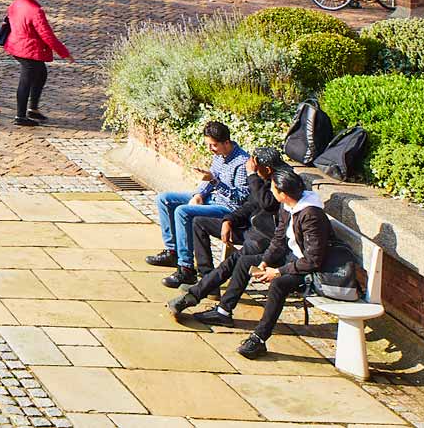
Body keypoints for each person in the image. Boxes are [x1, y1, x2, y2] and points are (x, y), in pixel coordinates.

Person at [234, 169, 356, 360]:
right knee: (245, 261)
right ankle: (224, 310)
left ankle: (259, 338)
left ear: (283, 193)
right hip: (295, 258)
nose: (271, 191)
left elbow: (314, 260)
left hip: (313, 269)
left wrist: (279, 272)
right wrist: (266, 260)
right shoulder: (288, 206)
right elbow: (279, 238)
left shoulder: (311, 215)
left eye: (273, 188)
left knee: (278, 285)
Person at [170, 146, 286, 323]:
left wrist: (252, 175)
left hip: (265, 239)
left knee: (234, 263)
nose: (252, 169)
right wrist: (229, 220)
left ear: (267, 169)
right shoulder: (265, 178)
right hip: (251, 230)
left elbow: (268, 203)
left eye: (256, 167)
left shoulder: (283, 182)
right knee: (199, 222)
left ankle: (208, 302)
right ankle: (207, 277)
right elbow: (249, 205)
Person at [145, 120, 249, 287]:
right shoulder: (219, 155)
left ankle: (186, 269)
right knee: (164, 199)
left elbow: (240, 198)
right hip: (210, 198)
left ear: (226, 142)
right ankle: (173, 251)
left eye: (213, 145)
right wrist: (199, 194)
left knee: (183, 212)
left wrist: (215, 183)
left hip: (227, 208)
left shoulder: (242, 163)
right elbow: (210, 177)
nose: (210, 149)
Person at [2, 0, 71, 125]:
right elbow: (47, 35)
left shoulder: (16, 3)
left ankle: (33, 109)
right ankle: (20, 116)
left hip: (16, 45)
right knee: (26, 82)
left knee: (41, 74)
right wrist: (64, 53)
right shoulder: (36, 11)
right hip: (27, 50)